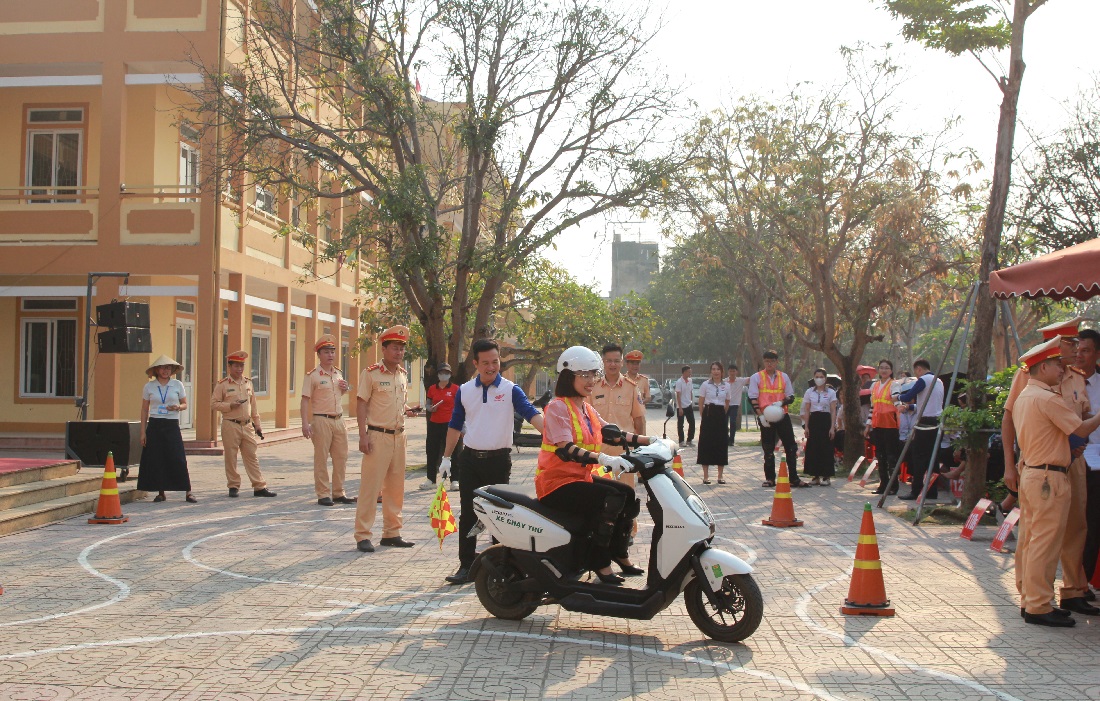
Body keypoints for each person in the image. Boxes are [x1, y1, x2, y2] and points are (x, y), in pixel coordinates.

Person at [536, 346, 654, 585]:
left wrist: (652, 441)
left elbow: (613, 433)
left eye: (592, 374)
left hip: (579, 479)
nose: (591, 381)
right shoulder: (558, 407)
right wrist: (604, 459)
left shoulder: (585, 407)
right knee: (611, 498)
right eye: (585, 375)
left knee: (627, 494)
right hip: (555, 484)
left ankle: (619, 553)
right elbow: (566, 448)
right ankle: (599, 562)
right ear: (569, 377)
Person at [1003, 319, 1095, 613]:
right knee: (1038, 534)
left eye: (1074, 344)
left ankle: (1072, 588)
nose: (1075, 350)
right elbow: (1011, 419)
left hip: (1071, 461)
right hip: (1043, 464)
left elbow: (1079, 421)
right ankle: (1033, 595)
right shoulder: (1032, 379)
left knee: (1073, 527)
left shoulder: (1075, 378)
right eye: (1069, 344)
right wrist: (1009, 465)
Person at [440, 339, 544, 585]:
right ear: (475, 363)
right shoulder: (465, 391)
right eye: (485, 363)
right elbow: (455, 425)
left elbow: (532, 414)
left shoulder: (510, 390)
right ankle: (466, 566)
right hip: (471, 461)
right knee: (468, 514)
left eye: (495, 362)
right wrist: (445, 458)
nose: (491, 367)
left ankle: (501, 564)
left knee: (499, 515)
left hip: (499, 461)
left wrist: (554, 437)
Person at [353, 326, 421, 552]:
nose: (399, 352)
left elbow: (397, 404)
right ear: (383, 349)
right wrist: (362, 435)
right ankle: (363, 534)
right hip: (377, 436)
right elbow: (361, 403)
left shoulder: (402, 374)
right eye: (395, 348)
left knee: (395, 488)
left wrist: (407, 410)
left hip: (399, 436)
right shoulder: (371, 373)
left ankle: (392, 532)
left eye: (402, 349)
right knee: (371, 488)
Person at [589, 343, 646, 574]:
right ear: (603, 362)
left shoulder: (632, 388)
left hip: (623, 456)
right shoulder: (592, 387)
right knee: (600, 503)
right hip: (599, 456)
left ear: (622, 362)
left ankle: (625, 543)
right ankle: (598, 546)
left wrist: (640, 453)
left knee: (626, 502)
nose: (612, 364)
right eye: (609, 360)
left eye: (616, 360)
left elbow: (639, 421)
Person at [211, 350, 276, 498]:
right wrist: (229, 405)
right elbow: (213, 404)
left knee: (251, 456)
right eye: (236, 366)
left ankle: (259, 486)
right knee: (231, 456)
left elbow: (254, 405)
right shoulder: (222, 385)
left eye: (242, 366)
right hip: (230, 424)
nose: (239, 369)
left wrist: (257, 423)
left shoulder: (248, 383)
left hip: (247, 425)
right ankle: (233, 485)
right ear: (230, 366)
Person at [301, 334, 356, 507]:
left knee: (341, 457)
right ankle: (323, 493)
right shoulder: (313, 376)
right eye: (326, 352)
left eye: (332, 351)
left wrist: (346, 388)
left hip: (339, 419)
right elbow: (305, 400)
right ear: (319, 354)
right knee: (321, 458)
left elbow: (339, 393)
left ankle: (339, 492)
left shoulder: (338, 373)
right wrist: (304, 423)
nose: (330, 355)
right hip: (321, 420)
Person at [137, 355, 194, 503]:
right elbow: (144, 409)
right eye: (162, 367)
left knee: (178, 456)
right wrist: (143, 431)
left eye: (168, 368)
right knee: (157, 458)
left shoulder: (177, 384)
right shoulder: (149, 386)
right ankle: (161, 492)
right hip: (155, 423)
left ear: (172, 370)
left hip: (171, 423)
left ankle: (188, 491)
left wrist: (178, 407)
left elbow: (185, 404)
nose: (165, 370)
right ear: (156, 369)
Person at [748, 350, 805, 488]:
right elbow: (752, 398)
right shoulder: (757, 377)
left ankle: (793, 478)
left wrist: (781, 403)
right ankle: (770, 478)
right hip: (766, 416)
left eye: (772, 361)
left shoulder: (783, 377)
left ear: (776, 362)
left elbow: (791, 396)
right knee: (768, 448)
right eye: (767, 361)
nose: (769, 364)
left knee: (791, 446)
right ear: (764, 361)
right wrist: (760, 415)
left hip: (782, 415)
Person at [896, 358, 945, 501]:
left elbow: (908, 396)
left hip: (925, 422)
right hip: (937, 421)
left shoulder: (923, 380)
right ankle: (932, 491)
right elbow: (926, 402)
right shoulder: (939, 381)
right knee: (933, 458)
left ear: (918, 369)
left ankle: (915, 490)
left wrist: (897, 396)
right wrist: (910, 407)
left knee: (918, 457)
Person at [1077, 329, 1100, 589]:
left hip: (1096, 465)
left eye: (1086, 350)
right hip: (1068, 463)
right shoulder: (1062, 381)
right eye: (1078, 350)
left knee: (1093, 526)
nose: (1080, 355)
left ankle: (1082, 584)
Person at [865, 360, 899, 495]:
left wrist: (900, 405)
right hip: (877, 424)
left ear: (891, 371)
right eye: (882, 368)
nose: (884, 370)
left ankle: (893, 486)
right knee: (880, 456)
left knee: (891, 457)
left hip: (890, 425)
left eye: (887, 368)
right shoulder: (875, 385)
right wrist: (868, 425)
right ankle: (883, 484)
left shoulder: (894, 384)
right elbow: (872, 407)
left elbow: (896, 399)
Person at [423, 362, 459, 490]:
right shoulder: (432, 388)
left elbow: (461, 406)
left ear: (450, 374)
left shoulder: (455, 389)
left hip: (451, 424)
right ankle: (431, 479)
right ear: (437, 375)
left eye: (446, 373)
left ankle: (455, 480)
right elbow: (427, 403)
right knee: (432, 451)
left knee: (454, 452)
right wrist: (430, 408)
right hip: (435, 423)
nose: (443, 375)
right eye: (441, 373)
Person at [801, 368, 837, 485]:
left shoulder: (831, 392)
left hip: (825, 420)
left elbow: (833, 410)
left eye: (821, 377)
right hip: (814, 420)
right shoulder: (809, 392)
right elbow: (806, 410)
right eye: (817, 377)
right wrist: (806, 426)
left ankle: (826, 476)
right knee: (813, 448)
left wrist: (832, 427)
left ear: (825, 378)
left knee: (826, 447)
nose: (819, 379)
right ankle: (815, 476)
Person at [696, 362, 730, 484]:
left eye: (718, 369)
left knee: (721, 443)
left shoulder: (726, 385)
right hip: (708, 414)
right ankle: (706, 476)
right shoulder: (705, 384)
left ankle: (720, 476)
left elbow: (727, 402)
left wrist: (722, 414)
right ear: (710, 371)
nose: (716, 372)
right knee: (706, 443)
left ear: (722, 371)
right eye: (713, 369)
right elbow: (701, 401)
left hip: (720, 415)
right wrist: (703, 415)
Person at [726, 364, 749, 447]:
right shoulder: (724, 381)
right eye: (730, 371)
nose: (732, 373)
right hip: (725, 405)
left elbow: (751, 379)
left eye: (733, 371)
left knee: (733, 422)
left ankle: (731, 440)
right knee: (724, 423)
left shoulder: (740, 381)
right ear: (728, 372)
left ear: (736, 372)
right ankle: (726, 438)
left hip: (735, 405)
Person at [674, 366, 695, 447]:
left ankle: (689, 440)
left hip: (688, 405)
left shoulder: (690, 381)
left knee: (692, 423)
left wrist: (691, 402)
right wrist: (680, 408)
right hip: (681, 406)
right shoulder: (679, 382)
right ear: (684, 372)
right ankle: (681, 441)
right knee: (680, 424)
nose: (690, 373)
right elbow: (678, 395)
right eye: (689, 372)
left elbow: (691, 392)